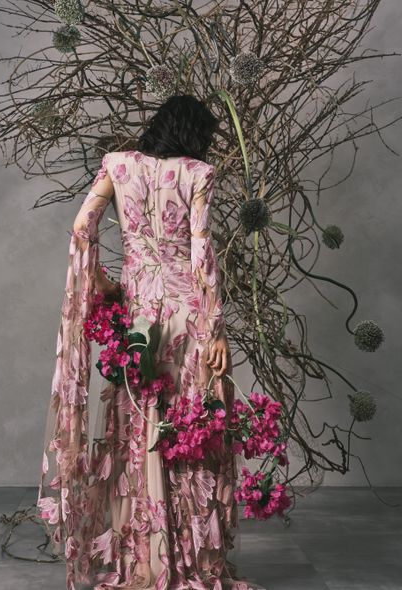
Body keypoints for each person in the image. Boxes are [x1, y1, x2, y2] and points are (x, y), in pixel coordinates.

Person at [36, 94, 266, 590]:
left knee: (140, 424)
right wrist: (216, 327)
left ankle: (143, 557)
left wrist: (101, 283)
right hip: (188, 316)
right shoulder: (198, 173)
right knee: (193, 426)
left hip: (140, 314)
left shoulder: (118, 165)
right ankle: (191, 559)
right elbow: (201, 251)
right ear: (194, 135)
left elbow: (82, 226)